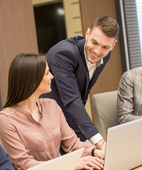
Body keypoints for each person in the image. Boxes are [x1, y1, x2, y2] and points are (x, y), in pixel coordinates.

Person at [0, 53, 104, 170]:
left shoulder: (51, 106)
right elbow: (24, 164)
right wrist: (68, 165)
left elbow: (72, 144)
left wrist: (96, 152)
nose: (52, 77)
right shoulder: (6, 119)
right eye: (47, 73)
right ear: (33, 80)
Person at [41, 16, 119, 150]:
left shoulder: (105, 55)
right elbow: (72, 100)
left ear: (113, 45)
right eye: (94, 42)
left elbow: (81, 91)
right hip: (47, 121)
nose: (97, 51)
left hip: (72, 116)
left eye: (105, 47)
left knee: (90, 160)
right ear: (87, 33)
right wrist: (99, 141)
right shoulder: (64, 54)